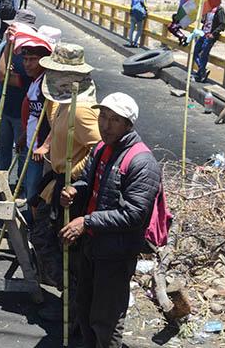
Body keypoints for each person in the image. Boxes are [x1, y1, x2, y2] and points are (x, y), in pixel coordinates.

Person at [60, 92, 162, 348]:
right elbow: (88, 181)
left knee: (106, 319)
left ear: (128, 124)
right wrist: (75, 190)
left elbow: (134, 214)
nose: (105, 125)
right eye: (103, 117)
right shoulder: (101, 148)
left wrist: (87, 221)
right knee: (84, 308)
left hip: (115, 252)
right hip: (92, 246)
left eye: (114, 120)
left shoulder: (141, 162)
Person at [27, 44, 100, 326]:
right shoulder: (62, 105)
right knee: (46, 239)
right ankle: (66, 302)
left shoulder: (81, 111)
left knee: (62, 249)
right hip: (56, 182)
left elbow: (101, 148)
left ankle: (71, 311)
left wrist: (76, 170)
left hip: (72, 189)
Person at [15, 26, 60, 209]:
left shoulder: (47, 85)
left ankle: (34, 232)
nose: (27, 64)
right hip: (32, 145)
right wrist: (24, 135)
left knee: (36, 195)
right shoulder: (35, 81)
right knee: (31, 190)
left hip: (43, 153)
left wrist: (45, 146)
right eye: (25, 59)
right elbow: (34, 114)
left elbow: (57, 120)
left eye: (32, 60)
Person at [0, 10, 36, 177]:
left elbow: (4, 76)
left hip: (23, 113)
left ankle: (20, 188)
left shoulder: (32, 52)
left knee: (22, 152)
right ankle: (2, 182)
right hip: (3, 106)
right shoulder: (4, 46)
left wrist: (10, 75)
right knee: (3, 148)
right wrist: (7, 46)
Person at [193, 5, 225, 83]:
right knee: (195, 52)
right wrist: (202, 16)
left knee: (204, 54)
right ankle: (203, 70)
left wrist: (213, 34)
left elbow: (222, 24)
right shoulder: (207, 8)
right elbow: (204, 21)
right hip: (203, 34)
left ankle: (201, 73)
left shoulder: (219, 10)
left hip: (210, 36)